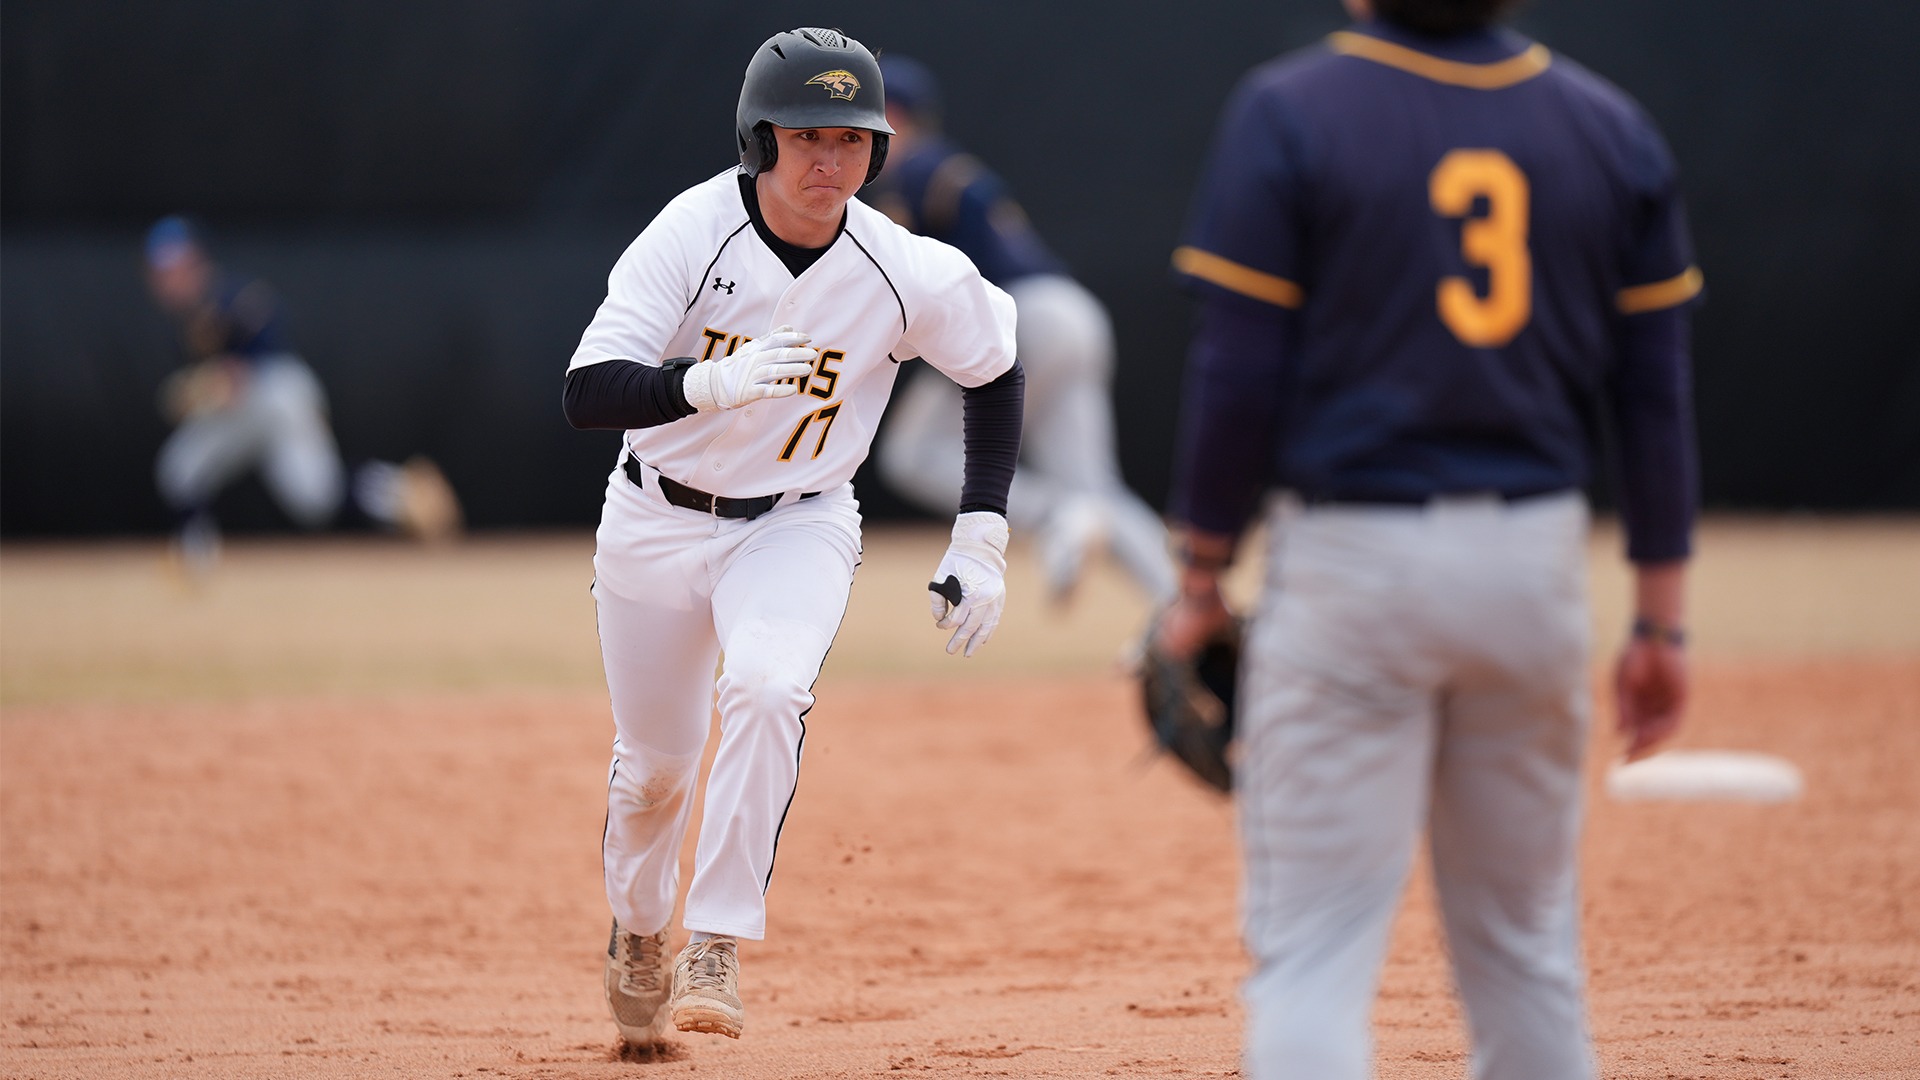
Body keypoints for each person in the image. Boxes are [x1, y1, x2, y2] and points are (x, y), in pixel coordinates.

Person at [1156, 1, 1701, 1077]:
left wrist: (1200, 579)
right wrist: (1660, 625)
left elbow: (1236, 374)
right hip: (1535, 565)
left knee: (1313, 954)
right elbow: (1654, 399)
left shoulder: (1291, 109)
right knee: (1525, 953)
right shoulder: (1609, 125)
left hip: (1356, 563)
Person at [561, 28, 1023, 1047]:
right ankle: (639, 931)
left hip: (798, 521)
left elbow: (993, 367)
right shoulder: (691, 232)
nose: (829, 162)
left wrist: (980, 535)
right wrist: (704, 382)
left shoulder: (895, 265)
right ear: (757, 140)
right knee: (654, 769)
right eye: (805, 136)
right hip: (653, 515)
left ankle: (716, 943)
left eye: (853, 141)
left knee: (769, 686)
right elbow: (587, 392)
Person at [868, 56, 1175, 605]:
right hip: (1072, 312)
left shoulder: (912, 170)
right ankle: (1185, 610)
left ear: (891, 114)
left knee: (911, 455)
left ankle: (1056, 514)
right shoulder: (948, 165)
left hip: (1020, 319)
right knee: (1096, 487)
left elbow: (897, 283)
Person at [145, 216, 461, 574]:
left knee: (315, 496)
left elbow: (270, 339)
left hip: (278, 394)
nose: (170, 279)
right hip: (241, 412)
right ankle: (194, 560)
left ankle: (402, 491)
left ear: (196, 261)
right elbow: (203, 386)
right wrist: (205, 390)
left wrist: (229, 376)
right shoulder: (180, 327)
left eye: (176, 267)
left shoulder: (230, 296)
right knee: (184, 468)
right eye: (163, 271)